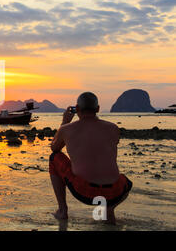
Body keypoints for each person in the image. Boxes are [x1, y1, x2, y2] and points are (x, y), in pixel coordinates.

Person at [49, 92, 132, 224]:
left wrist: (64, 122)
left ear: (77, 108)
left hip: (85, 191)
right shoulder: (113, 128)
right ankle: (108, 209)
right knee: (125, 181)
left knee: (54, 158)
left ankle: (62, 210)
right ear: (98, 108)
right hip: (116, 192)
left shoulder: (67, 129)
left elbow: (54, 148)